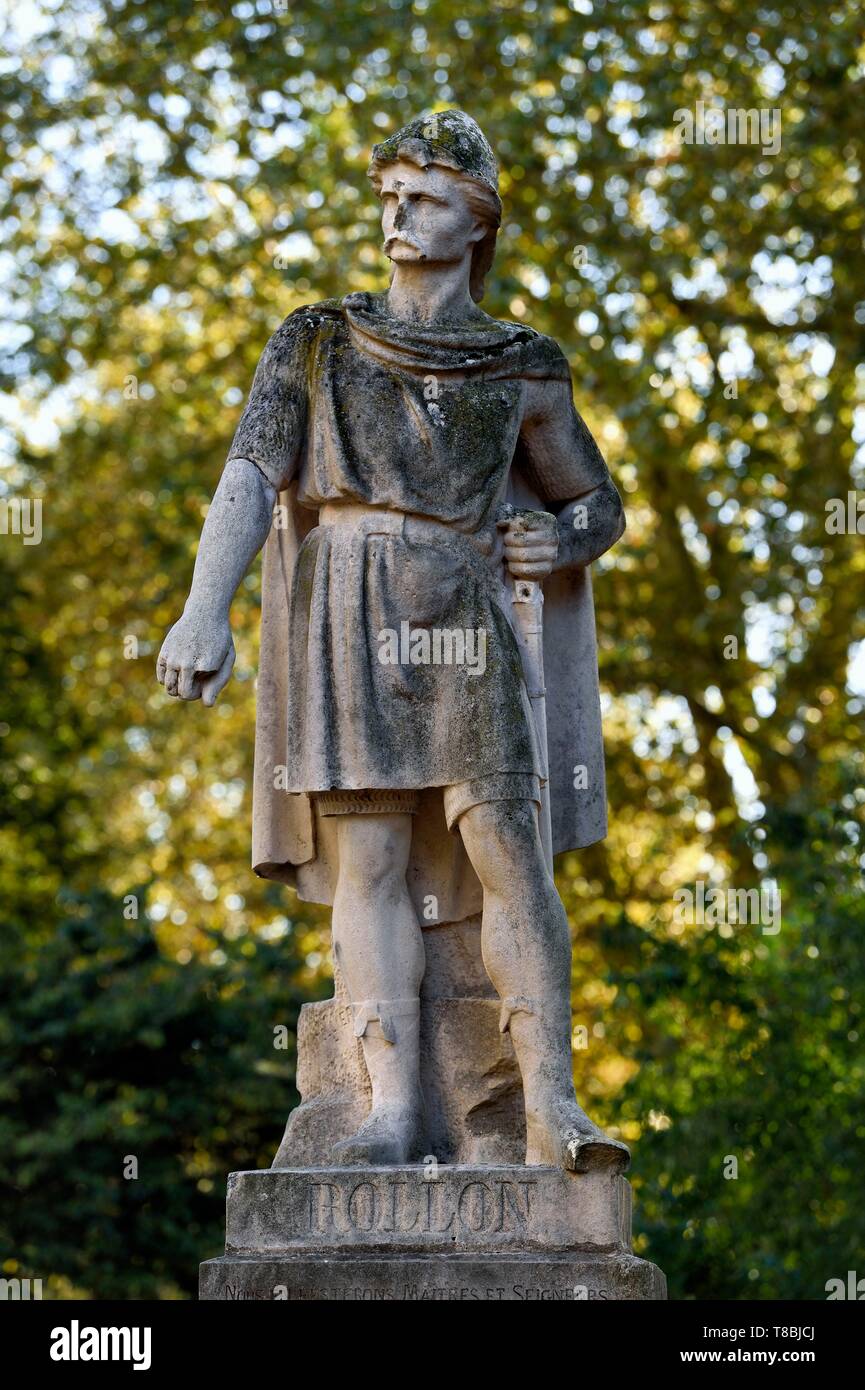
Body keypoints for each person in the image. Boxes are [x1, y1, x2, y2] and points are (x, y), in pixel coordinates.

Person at [157, 111, 628, 1172]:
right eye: (389, 198)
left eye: (421, 197)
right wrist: (204, 606)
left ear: (477, 220)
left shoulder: (521, 363)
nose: (396, 216)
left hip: (464, 603)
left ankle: (549, 1102)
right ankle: (387, 1108)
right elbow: (249, 475)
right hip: (347, 598)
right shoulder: (316, 336)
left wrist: (558, 538)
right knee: (367, 857)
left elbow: (600, 504)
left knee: (507, 846)